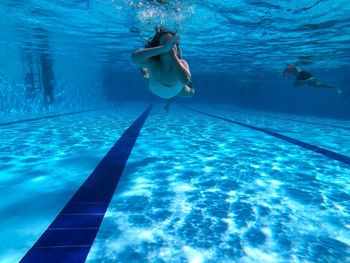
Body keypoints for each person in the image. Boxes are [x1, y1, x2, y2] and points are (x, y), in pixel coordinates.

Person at [131, 27, 195, 111]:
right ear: (158, 48)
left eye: (172, 43)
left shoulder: (182, 63)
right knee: (145, 75)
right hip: (155, 89)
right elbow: (134, 58)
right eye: (164, 43)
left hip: (177, 90)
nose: (169, 46)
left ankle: (144, 63)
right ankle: (144, 66)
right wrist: (164, 49)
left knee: (191, 93)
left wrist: (173, 56)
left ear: (177, 48)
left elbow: (185, 80)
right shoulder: (154, 63)